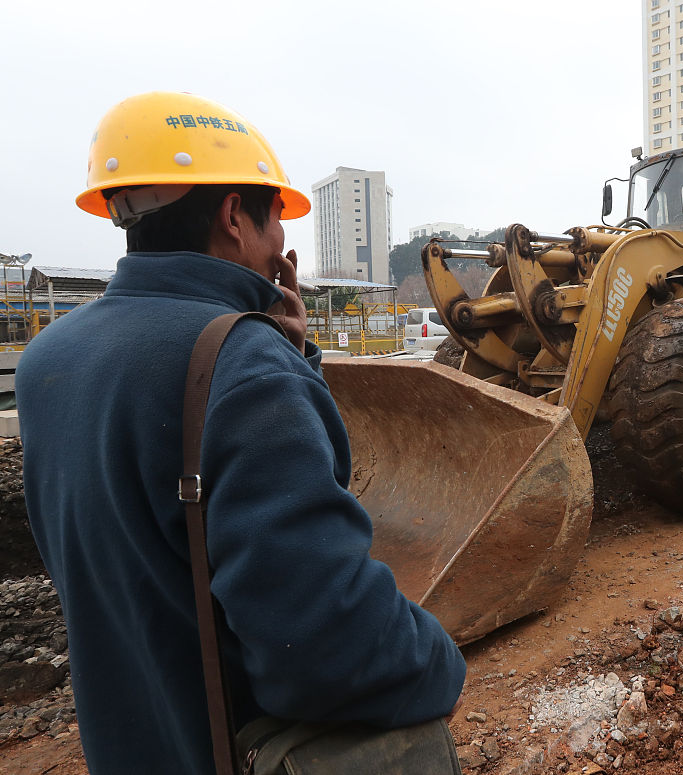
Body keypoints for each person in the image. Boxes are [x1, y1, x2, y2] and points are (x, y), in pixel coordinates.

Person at [17, 92, 466, 775]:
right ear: (233, 216)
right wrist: (438, 662)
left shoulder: (50, 359)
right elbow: (323, 648)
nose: (281, 245)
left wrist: (292, 355)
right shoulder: (243, 367)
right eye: (274, 221)